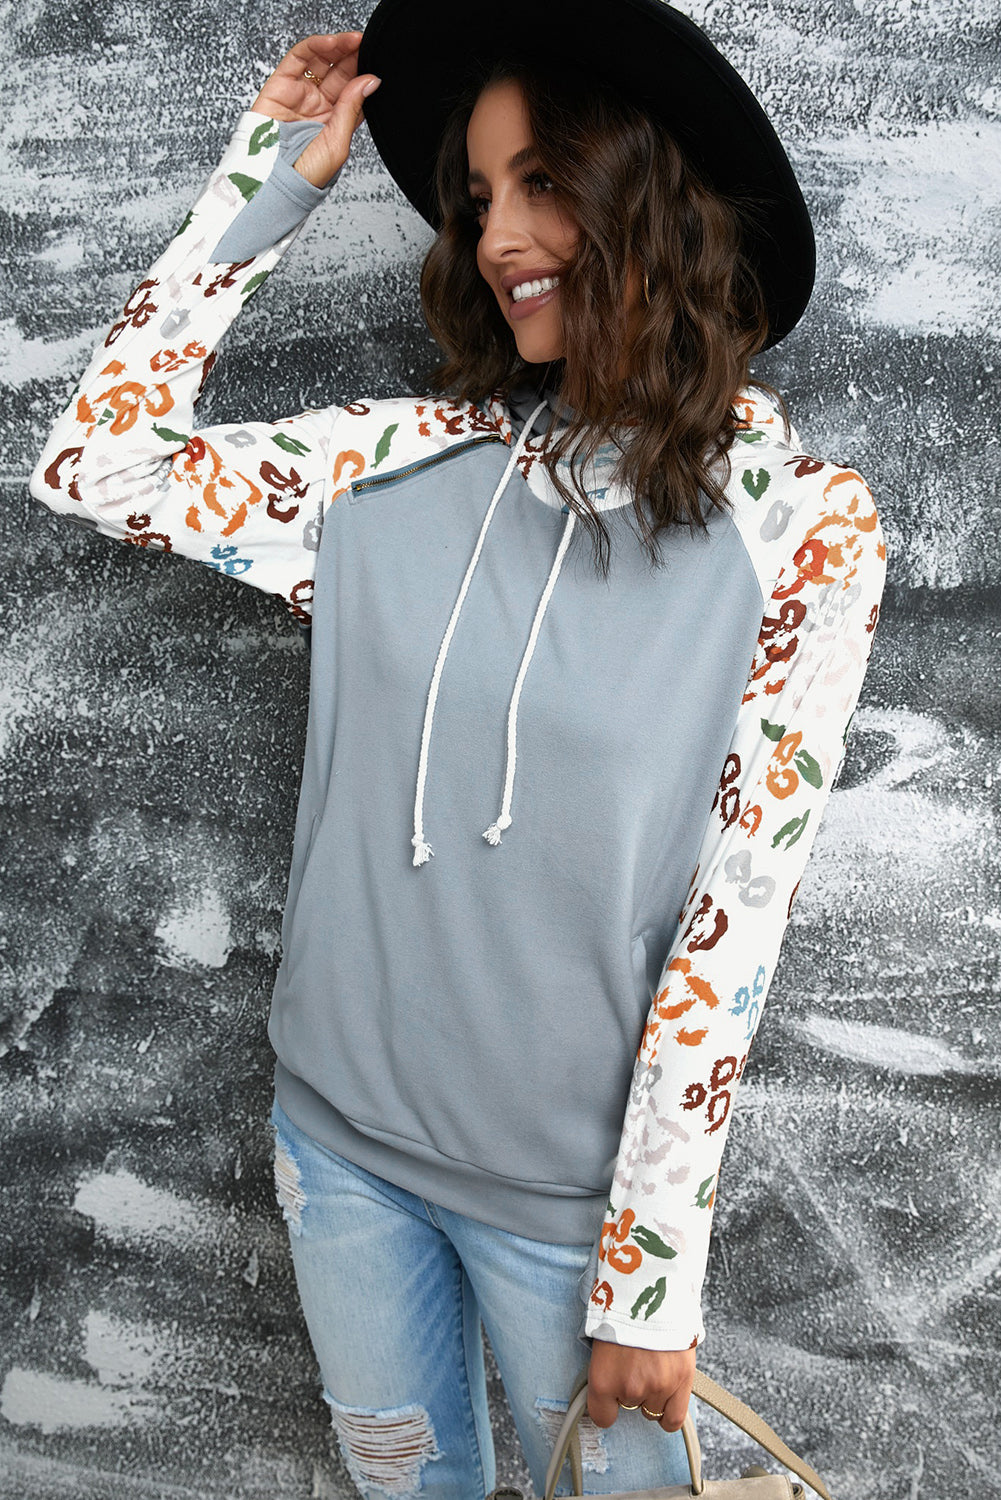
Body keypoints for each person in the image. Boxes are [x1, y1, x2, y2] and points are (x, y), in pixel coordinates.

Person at [29, 2, 886, 1495]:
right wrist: (263, 184)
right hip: (337, 1149)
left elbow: (734, 917)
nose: (497, 237)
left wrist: (647, 1277)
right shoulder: (398, 462)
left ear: (653, 195)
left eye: (542, 182)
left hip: (569, 1211)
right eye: (480, 195)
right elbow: (94, 465)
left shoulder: (803, 526)